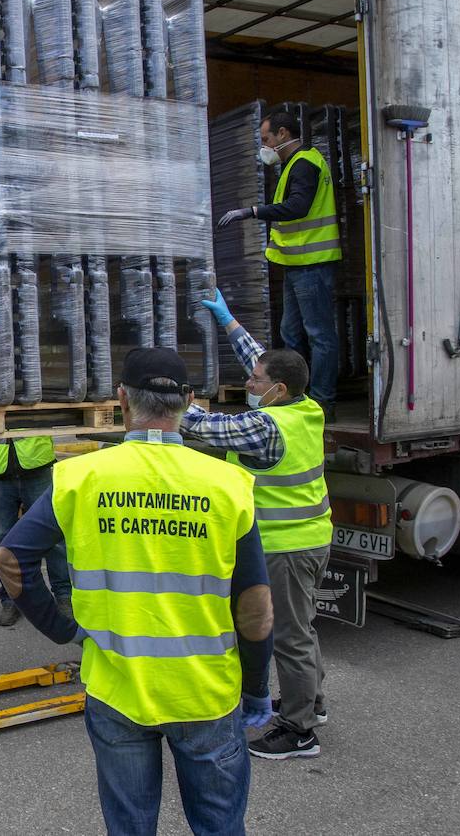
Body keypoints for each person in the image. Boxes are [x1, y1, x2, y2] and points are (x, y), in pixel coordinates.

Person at [0, 347, 274, 835]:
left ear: (122, 399)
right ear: (188, 401)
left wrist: (62, 629)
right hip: (206, 694)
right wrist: (254, 689)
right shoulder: (229, 484)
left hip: (117, 688)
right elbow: (256, 614)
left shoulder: (79, 478)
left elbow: (9, 560)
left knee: (130, 827)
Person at [185, 289, 334, 760]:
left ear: (278, 390)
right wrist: (229, 322)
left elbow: (206, 429)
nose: (249, 382)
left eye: (256, 380)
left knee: (288, 636)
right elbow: (262, 360)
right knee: (301, 629)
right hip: (308, 538)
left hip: (287, 546)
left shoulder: (268, 427)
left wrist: (168, 400)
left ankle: (299, 729)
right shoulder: (302, 406)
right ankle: (311, 700)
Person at [218, 110, 340, 413]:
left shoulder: (304, 165)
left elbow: (298, 206)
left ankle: (322, 400)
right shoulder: (294, 164)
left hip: (311, 262)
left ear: (283, 134)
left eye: (265, 139)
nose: (264, 146)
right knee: (290, 334)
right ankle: (292, 396)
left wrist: (252, 212)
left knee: (319, 335)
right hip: (297, 263)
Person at [0, 432, 69, 626]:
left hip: (36, 466)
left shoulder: (30, 398)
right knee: (3, 540)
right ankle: (10, 600)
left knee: (53, 539)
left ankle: (64, 596)